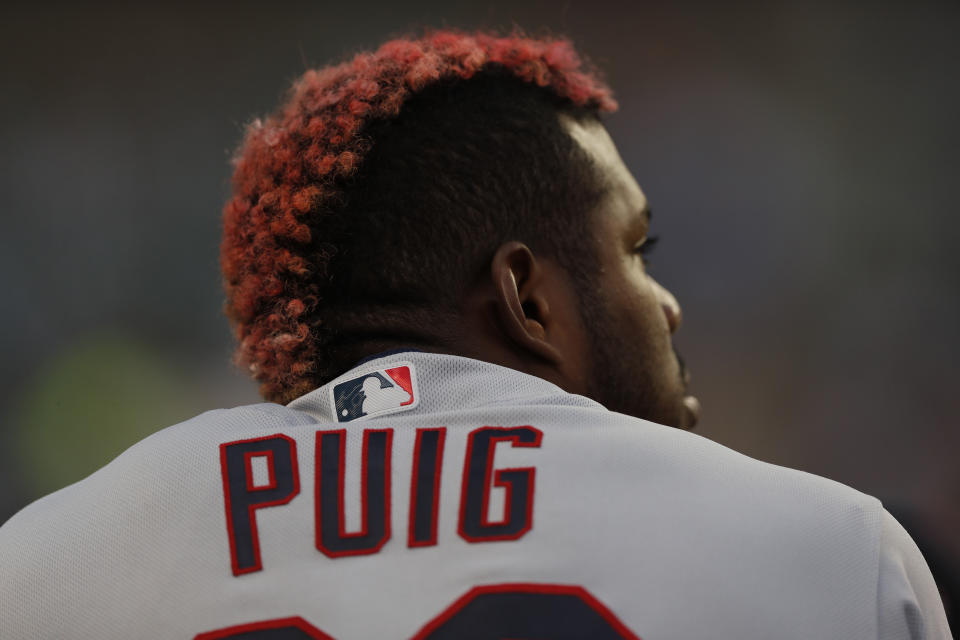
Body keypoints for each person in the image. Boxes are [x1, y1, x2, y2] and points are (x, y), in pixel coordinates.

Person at [0, 29, 951, 640]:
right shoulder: (829, 550)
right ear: (527, 300)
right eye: (636, 249)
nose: (666, 303)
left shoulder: (38, 572)